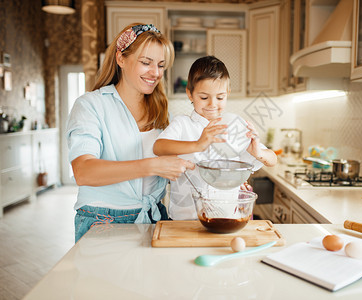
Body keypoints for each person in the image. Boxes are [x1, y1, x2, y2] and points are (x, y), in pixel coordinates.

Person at [66, 23, 194, 243]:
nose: (155, 73)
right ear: (121, 59)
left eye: (161, 65)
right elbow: (83, 171)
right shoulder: (91, 105)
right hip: (104, 221)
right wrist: (151, 165)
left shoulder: (163, 112)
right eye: (146, 63)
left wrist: (223, 182)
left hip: (155, 217)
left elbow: (181, 165)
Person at [153, 56, 277, 220]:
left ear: (227, 94)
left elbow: (272, 159)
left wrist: (257, 152)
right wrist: (198, 144)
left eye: (220, 97)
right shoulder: (182, 124)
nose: (212, 104)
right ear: (190, 94)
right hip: (184, 222)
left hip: (226, 219)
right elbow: (159, 147)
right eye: (204, 97)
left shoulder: (235, 125)